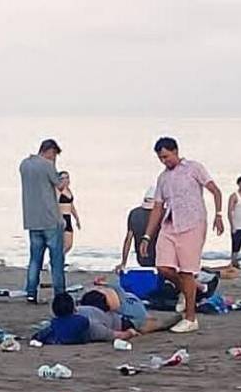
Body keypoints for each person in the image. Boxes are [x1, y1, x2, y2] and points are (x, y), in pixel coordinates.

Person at [139, 137, 224, 334]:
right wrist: (146, 236)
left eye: (167, 156)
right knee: (163, 267)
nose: (164, 161)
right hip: (170, 225)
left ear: (175, 151)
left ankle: (191, 318)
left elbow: (215, 190)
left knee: (187, 271)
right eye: (161, 158)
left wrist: (219, 214)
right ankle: (192, 290)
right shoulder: (163, 178)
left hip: (192, 224)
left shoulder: (194, 168)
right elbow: (158, 208)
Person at [20, 139, 66, 303]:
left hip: (32, 219)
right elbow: (59, 186)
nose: (54, 158)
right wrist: (64, 179)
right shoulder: (47, 165)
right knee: (56, 261)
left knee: (34, 260)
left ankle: (31, 292)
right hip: (50, 219)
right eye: (54, 155)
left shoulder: (24, 164)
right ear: (49, 151)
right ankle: (60, 294)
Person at [77, 282, 180, 341]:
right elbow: (116, 334)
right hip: (129, 318)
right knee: (147, 324)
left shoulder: (96, 315)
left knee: (146, 322)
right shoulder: (98, 323)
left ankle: (164, 321)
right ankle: (169, 320)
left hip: (127, 314)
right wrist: (130, 333)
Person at [116, 187, 157, 273]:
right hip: (158, 259)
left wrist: (123, 263)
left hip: (141, 259)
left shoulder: (134, 213)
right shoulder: (160, 215)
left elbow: (128, 240)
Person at [57, 171, 81, 254]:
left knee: (69, 245)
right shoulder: (58, 190)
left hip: (68, 217)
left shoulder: (68, 190)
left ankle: (59, 259)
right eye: (62, 178)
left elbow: (71, 206)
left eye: (67, 178)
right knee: (63, 244)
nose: (65, 180)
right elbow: (55, 205)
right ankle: (55, 261)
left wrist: (77, 219)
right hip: (61, 217)